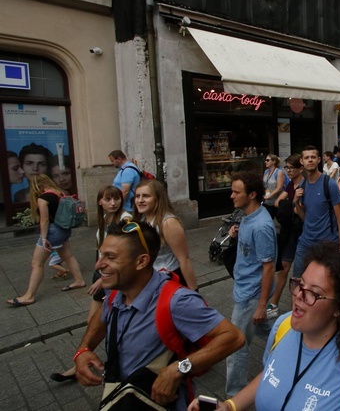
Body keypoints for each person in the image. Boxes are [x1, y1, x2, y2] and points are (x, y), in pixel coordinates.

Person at [188, 243, 340, 411]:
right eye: (300, 284)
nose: (298, 295)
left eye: (313, 293)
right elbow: (271, 375)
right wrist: (230, 406)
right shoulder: (284, 325)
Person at [73, 219, 244, 411]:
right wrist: (83, 349)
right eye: (101, 254)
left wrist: (178, 369)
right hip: (122, 396)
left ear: (141, 261)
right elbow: (104, 315)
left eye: (110, 257)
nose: (98, 264)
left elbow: (234, 337)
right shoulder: (116, 290)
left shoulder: (177, 301)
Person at [50, 185, 131, 382]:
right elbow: (102, 251)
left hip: (113, 279)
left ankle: (96, 364)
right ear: (100, 202)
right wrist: (99, 275)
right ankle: (85, 360)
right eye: (108, 199)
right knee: (92, 322)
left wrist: (104, 281)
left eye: (116, 199)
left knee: (105, 322)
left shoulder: (125, 219)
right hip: (102, 275)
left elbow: (125, 256)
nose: (113, 203)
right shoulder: (105, 220)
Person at [225, 171, 277, 397]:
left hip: (251, 296)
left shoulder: (262, 226)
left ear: (252, 194)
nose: (231, 196)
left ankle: (235, 394)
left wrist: (261, 305)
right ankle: (295, 350)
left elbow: (269, 267)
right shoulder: (247, 216)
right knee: (271, 334)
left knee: (235, 345)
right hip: (246, 291)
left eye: (237, 192)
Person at [7, 174, 86, 307]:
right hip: (64, 229)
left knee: (36, 263)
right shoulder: (59, 193)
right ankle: (79, 280)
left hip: (53, 231)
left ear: (38, 186)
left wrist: (43, 238)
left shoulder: (43, 198)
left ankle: (29, 296)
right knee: (68, 256)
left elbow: (44, 220)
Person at [133, 180, 198, 290]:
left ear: (157, 199)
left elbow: (184, 259)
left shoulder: (168, 222)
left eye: (146, 196)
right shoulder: (141, 220)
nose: (140, 200)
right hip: (149, 280)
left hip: (170, 280)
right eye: (137, 196)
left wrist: (194, 292)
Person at [293, 145, 340, 278]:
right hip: (305, 242)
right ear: (302, 161)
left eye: (313, 157)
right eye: (307, 158)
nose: (310, 160)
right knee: (297, 280)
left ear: (318, 160)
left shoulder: (329, 184)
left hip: (327, 243)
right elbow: (305, 217)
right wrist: (295, 202)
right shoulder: (302, 185)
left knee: (326, 283)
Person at [268, 155, 304, 320]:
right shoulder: (290, 184)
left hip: (301, 231)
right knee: (283, 267)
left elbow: (303, 211)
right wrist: (289, 203)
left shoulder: (304, 185)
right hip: (288, 231)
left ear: (300, 169)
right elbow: (279, 202)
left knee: (300, 273)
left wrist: (290, 205)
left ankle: (297, 307)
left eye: (291, 168)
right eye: (287, 167)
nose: (288, 170)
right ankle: (273, 303)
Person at [262, 154, 285, 218]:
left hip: (276, 201)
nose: (265, 162)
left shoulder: (279, 172)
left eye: (267, 160)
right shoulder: (266, 171)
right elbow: (264, 184)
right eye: (265, 160)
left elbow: (279, 188)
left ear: (274, 161)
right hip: (266, 201)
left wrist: (269, 196)